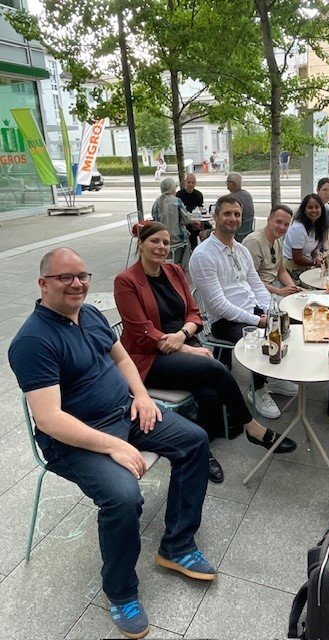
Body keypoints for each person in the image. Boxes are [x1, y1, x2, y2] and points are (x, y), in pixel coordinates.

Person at [8, 248, 216, 640]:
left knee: (194, 441)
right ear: (43, 284)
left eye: (82, 275)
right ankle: (121, 592)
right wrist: (111, 446)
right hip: (73, 441)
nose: (77, 284)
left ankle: (176, 545)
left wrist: (142, 396)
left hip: (126, 412)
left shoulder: (90, 314)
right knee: (123, 497)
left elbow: (121, 360)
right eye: (65, 277)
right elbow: (49, 419)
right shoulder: (33, 341)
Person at [114, 222, 296, 484]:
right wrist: (187, 347)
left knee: (210, 393)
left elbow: (193, 313)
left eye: (165, 242)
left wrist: (183, 335)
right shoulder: (126, 281)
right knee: (215, 368)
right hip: (149, 358)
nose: (161, 247)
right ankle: (253, 428)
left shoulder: (174, 271)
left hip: (182, 343)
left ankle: (202, 450)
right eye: (154, 241)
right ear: (141, 244)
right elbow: (142, 331)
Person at [189, 194, 299, 421]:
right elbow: (219, 305)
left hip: (251, 309)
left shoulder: (240, 249)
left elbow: (257, 285)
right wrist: (258, 320)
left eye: (237, 214)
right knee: (261, 337)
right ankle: (257, 389)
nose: (233, 218)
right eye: (227, 213)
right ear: (215, 216)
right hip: (224, 321)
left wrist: (269, 311)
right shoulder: (203, 255)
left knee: (290, 323)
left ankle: (272, 376)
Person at [242, 204, 303, 297]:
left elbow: (281, 271)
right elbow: (250, 280)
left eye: (286, 224)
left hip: (275, 285)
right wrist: (279, 291)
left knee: (304, 297)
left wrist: (293, 288)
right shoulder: (254, 242)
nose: (282, 227)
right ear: (269, 220)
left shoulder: (277, 239)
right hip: (259, 292)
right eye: (279, 222)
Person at [283, 193, 329, 284]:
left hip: (307, 264)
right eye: (310, 207)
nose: (314, 210)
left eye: (317, 207)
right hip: (292, 267)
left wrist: (316, 256)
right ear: (304, 210)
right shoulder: (298, 228)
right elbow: (297, 258)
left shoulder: (315, 225)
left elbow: (314, 247)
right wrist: (315, 262)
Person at [151, 177, 190, 270]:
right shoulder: (177, 201)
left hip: (160, 237)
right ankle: (183, 267)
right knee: (187, 240)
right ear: (172, 188)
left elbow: (154, 218)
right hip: (175, 238)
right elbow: (186, 220)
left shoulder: (157, 202)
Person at [176, 173, 212, 249]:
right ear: (185, 182)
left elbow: (201, 209)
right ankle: (192, 248)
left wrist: (198, 221)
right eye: (189, 182)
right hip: (185, 220)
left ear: (195, 183)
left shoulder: (198, 195)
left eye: (192, 183)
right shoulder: (179, 195)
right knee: (190, 231)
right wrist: (191, 221)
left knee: (209, 228)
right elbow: (178, 212)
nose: (190, 185)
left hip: (197, 220)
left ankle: (207, 248)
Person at [226, 172, 255, 243]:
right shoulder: (247, 195)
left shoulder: (230, 199)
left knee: (204, 234)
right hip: (247, 231)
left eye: (227, 182)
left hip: (235, 233)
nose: (226, 183)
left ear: (233, 184)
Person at [316, 177, 329, 251]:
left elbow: (325, 238)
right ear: (318, 190)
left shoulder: (327, 212)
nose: (328, 193)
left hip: (321, 249)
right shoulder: (308, 209)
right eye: (324, 190)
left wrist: (327, 251)